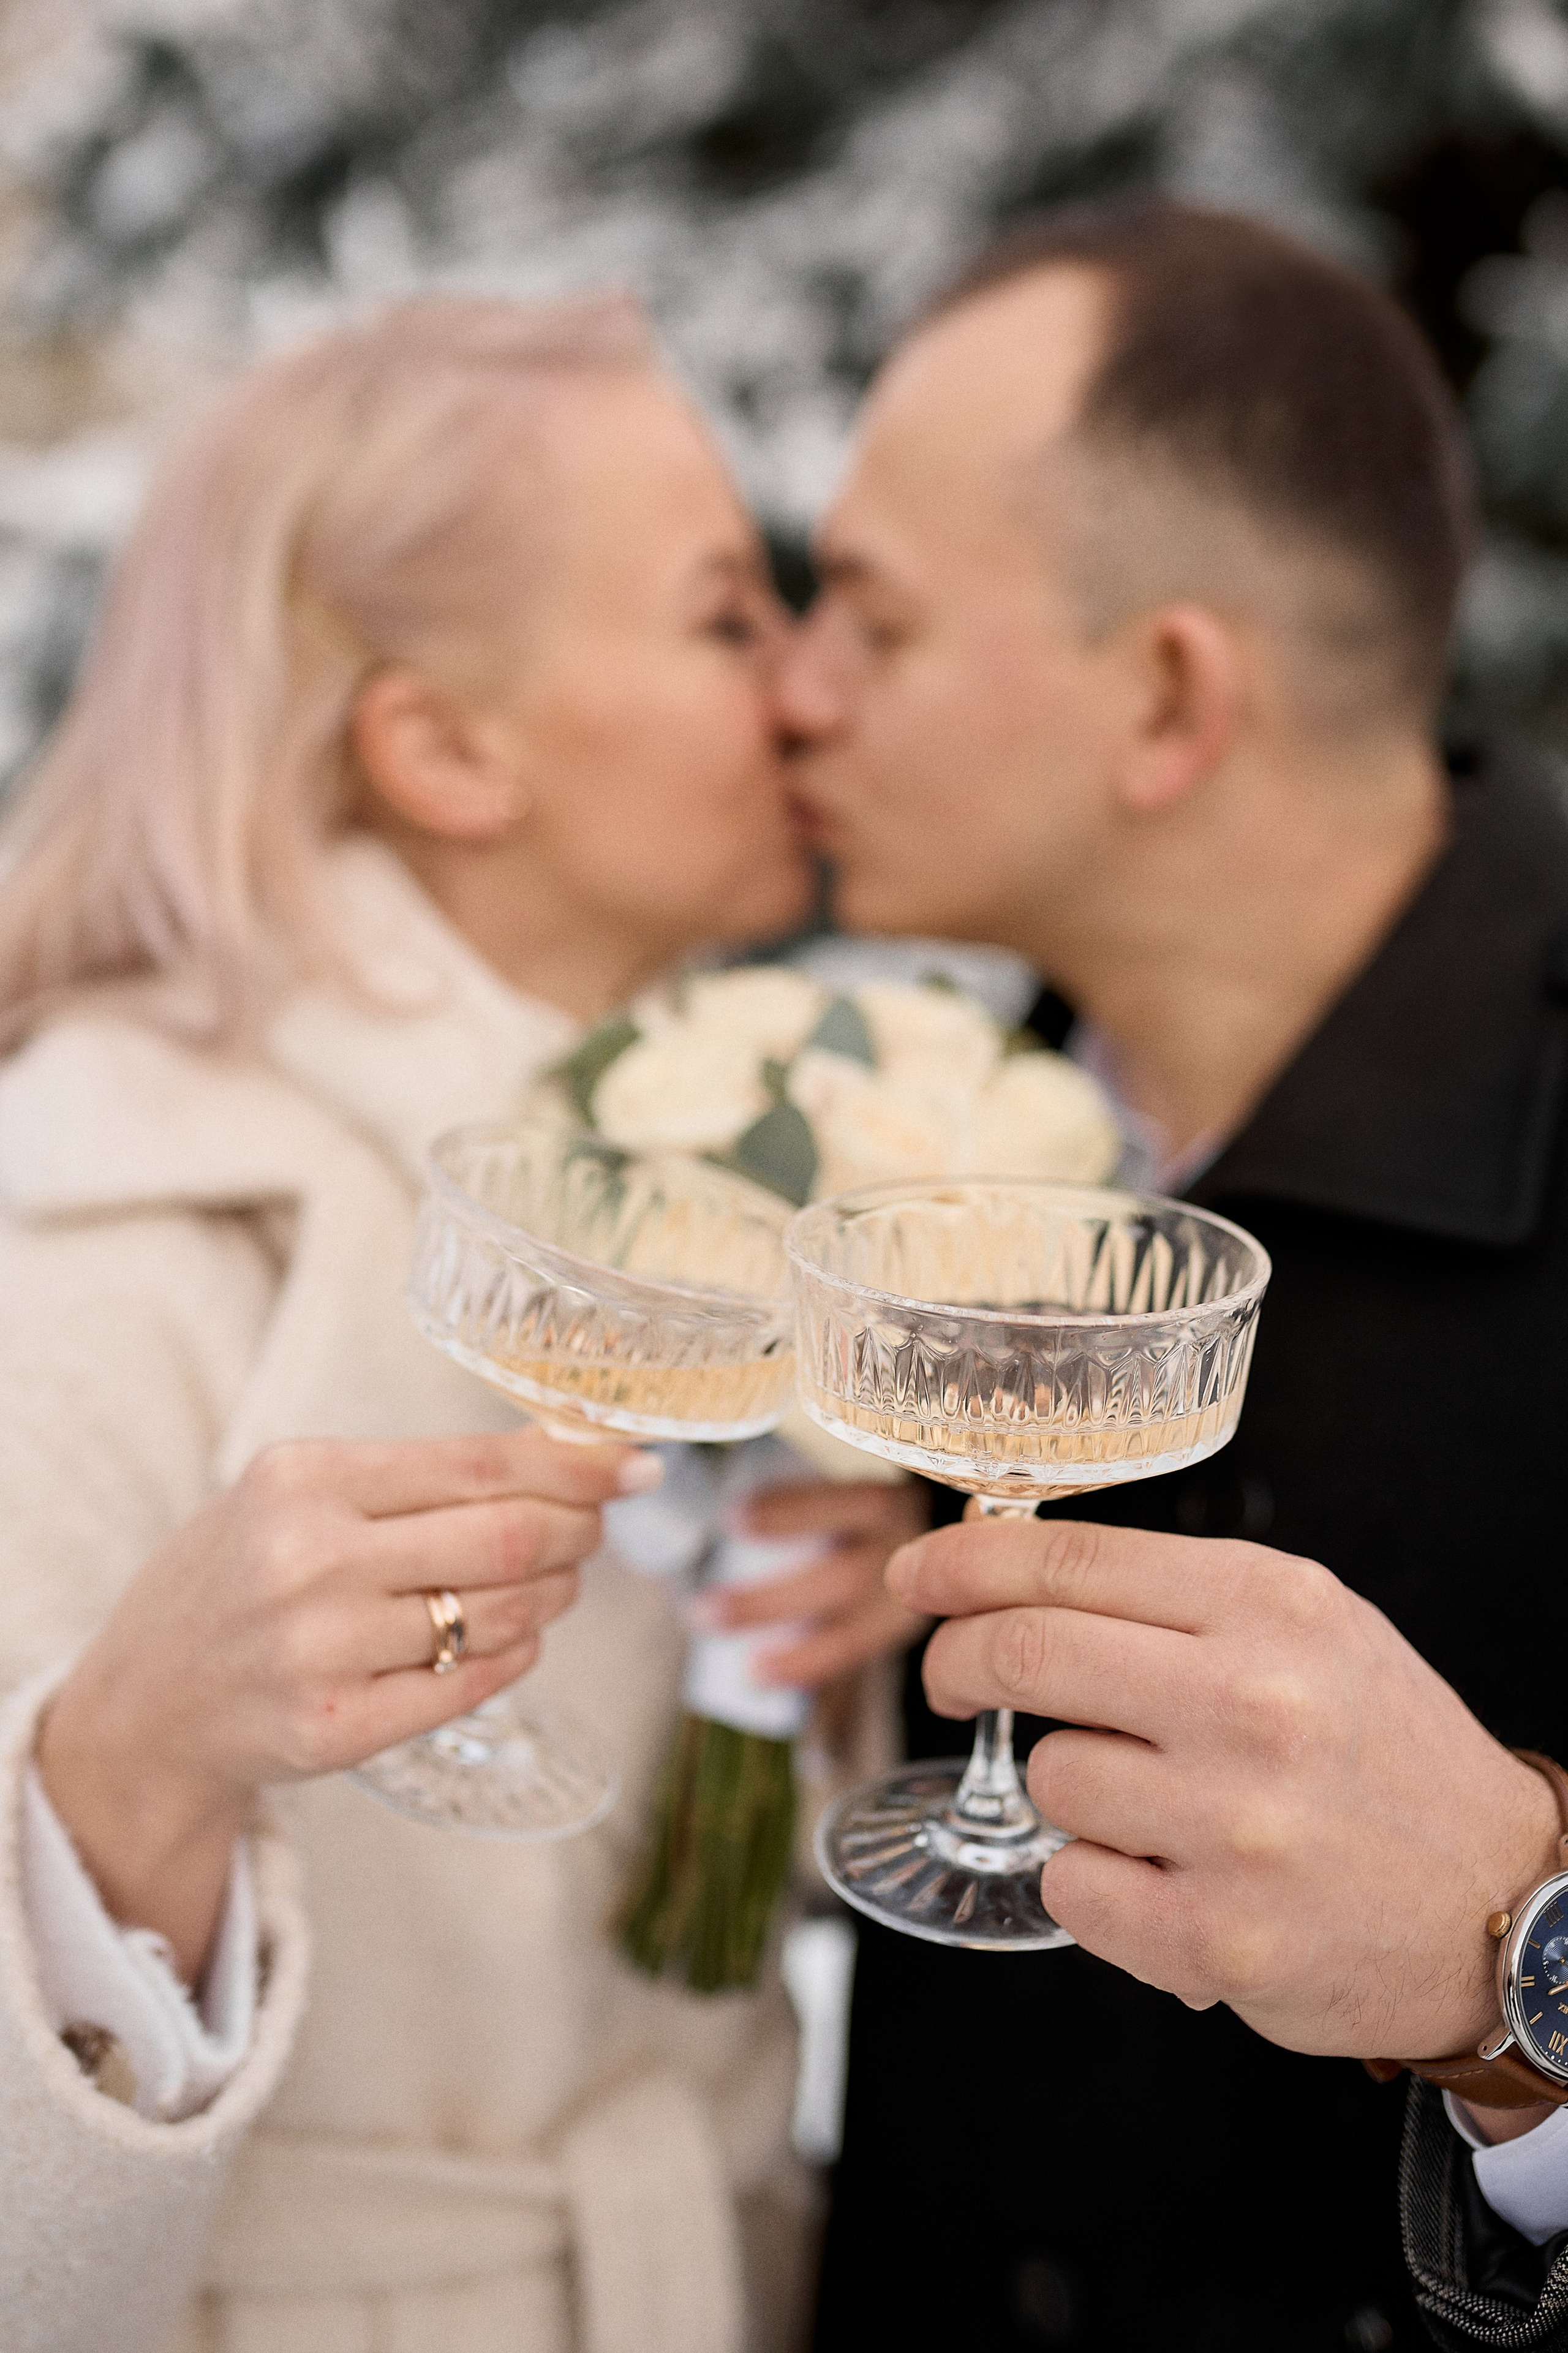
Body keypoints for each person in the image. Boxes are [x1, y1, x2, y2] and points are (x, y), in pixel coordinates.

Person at [0, 292, 921, 2353]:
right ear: (439, 746)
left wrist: (828, 1653)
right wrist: (122, 1773)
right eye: (723, 617)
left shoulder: (722, 1176)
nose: (807, 687)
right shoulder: (105, 1224)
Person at [776, 197, 1568, 2350]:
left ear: (1166, 697)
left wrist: (1525, 1949)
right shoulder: (951, 1139)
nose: (791, 688)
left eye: (870, 618)